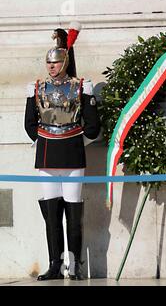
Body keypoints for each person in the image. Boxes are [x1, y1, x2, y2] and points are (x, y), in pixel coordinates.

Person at [24, 22, 100, 281]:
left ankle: (75, 263)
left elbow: (92, 126)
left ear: (65, 62)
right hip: (47, 156)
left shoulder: (81, 87)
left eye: (55, 62)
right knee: (51, 214)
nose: (51, 67)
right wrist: (46, 140)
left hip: (72, 154)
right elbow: (30, 124)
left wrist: (71, 140)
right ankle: (54, 263)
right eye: (48, 63)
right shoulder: (36, 88)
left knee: (74, 211)